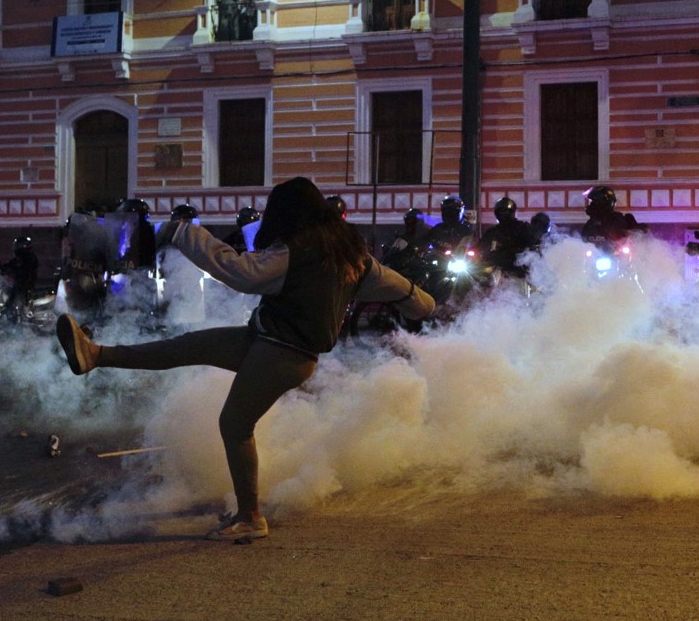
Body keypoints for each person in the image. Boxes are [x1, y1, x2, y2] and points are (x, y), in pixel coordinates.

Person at [55, 177, 435, 541]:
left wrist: (183, 232)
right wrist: (422, 306)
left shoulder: (295, 251)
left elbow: (240, 273)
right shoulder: (353, 257)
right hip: (266, 340)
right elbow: (406, 292)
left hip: (283, 352)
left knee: (235, 425)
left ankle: (250, 517)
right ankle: (96, 354)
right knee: (187, 347)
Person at [476, 197, 537, 278]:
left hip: (516, 269)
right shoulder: (492, 231)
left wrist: (520, 252)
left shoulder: (522, 227)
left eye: (505, 211)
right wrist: (471, 251)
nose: (503, 214)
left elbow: (532, 243)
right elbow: (480, 246)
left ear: (512, 212)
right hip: (494, 269)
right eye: (500, 212)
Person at [580, 185, 645, 252]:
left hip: (618, 257)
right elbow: (583, 241)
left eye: (594, 202)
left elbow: (631, 236)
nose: (591, 205)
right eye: (591, 202)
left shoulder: (618, 219)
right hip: (595, 257)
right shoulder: (590, 223)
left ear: (604, 202)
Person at [0, 235, 39, 318]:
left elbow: (14, 266)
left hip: (25, 283)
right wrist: (2, 267)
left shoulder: (25, 258)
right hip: (26, 281)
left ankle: (9, 314)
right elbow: (11, 265)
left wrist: (4, 269)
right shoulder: (27, 257)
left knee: (12, 295)